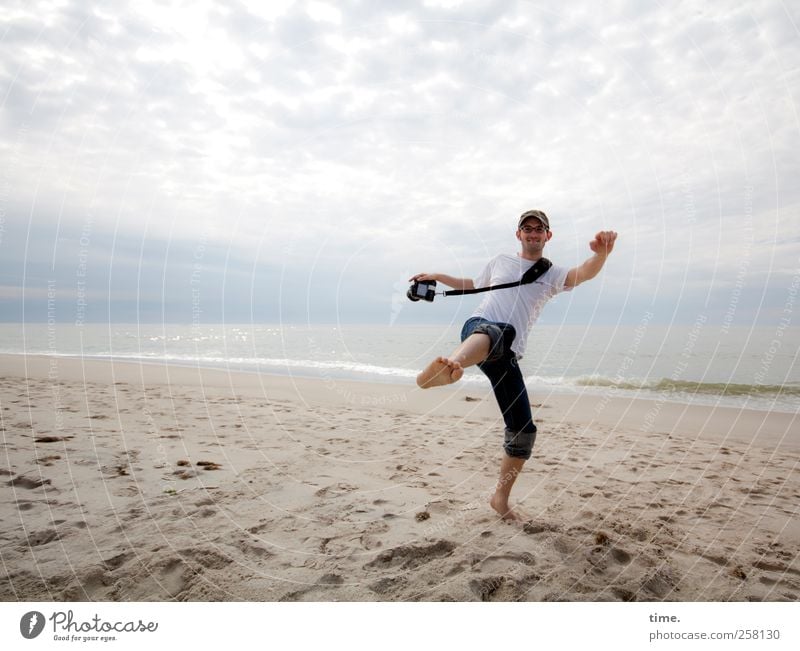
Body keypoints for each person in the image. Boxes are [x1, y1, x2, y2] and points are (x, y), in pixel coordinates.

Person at [410, 209, 617, 522]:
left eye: (539, 229)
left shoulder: (551, 274)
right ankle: (451, 365)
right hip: (477, 329)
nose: (533, 233)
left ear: (548, 236)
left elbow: (584, 272)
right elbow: (472, 283)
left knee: (523, 430)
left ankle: (500, 498)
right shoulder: (500, 261)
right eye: (527, 228)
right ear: (518, 234)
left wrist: (601, 254)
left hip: (506, 354)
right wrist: (437, 276)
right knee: (498, 330)